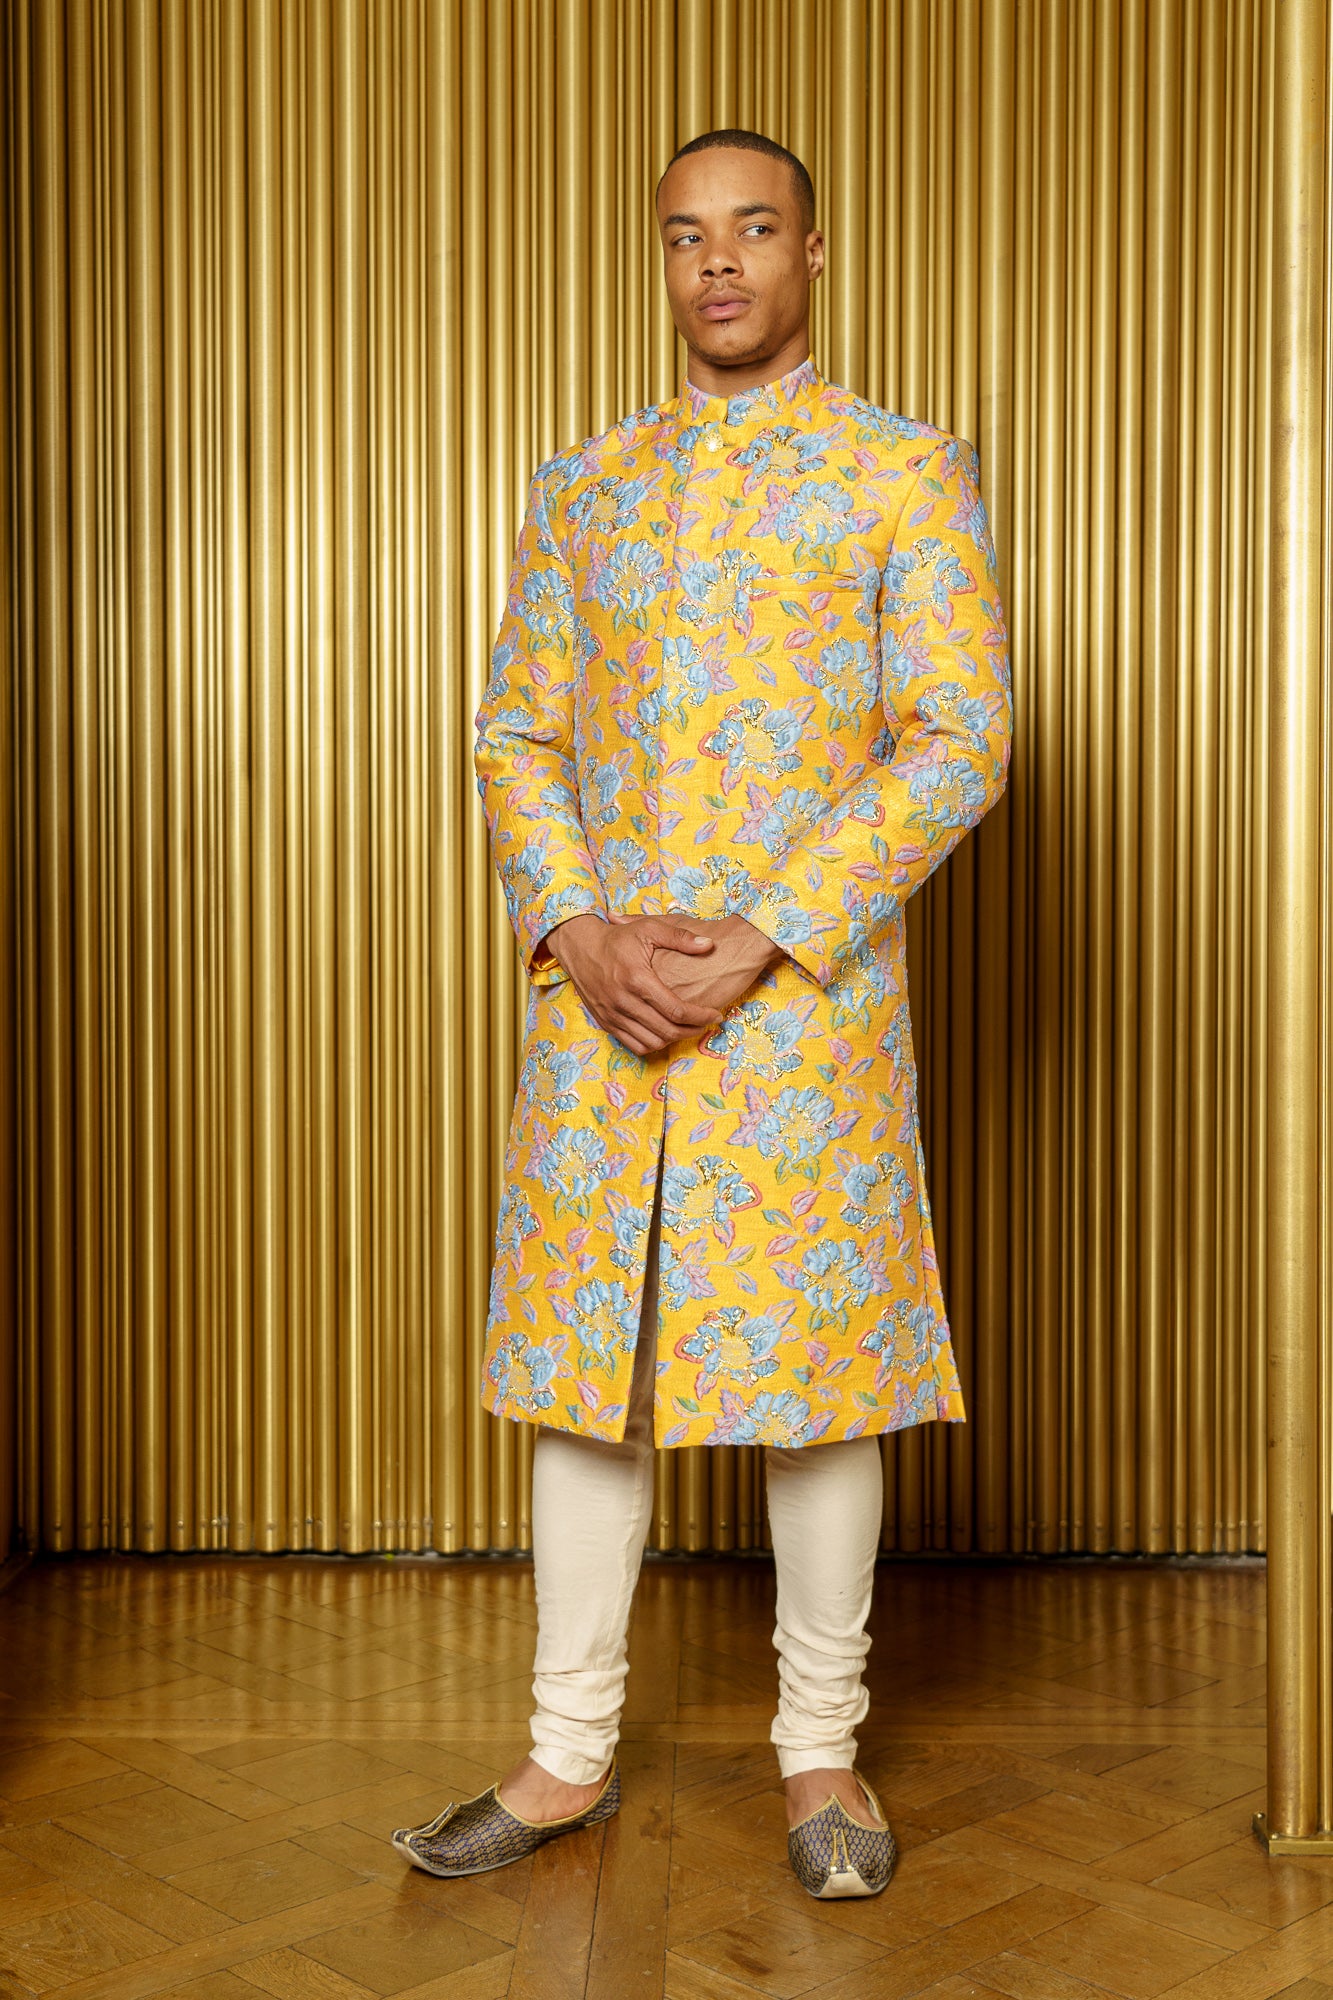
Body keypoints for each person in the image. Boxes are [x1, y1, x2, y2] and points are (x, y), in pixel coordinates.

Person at [392, 127, 1012, 1899]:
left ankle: (820, 1753)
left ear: (812, 253)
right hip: (602, 1011)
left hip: (802, 1007)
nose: (718, 261)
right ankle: (563, 1757)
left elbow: (960, 733)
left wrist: (768, 932)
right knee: (588, 1375)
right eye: (685, 236)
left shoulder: (902, 473)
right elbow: (516, 731)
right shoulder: (583, 485)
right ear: (662, 263)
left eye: (751, 228)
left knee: (817, 1386)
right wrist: (573, 929)